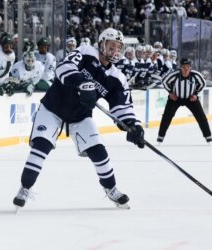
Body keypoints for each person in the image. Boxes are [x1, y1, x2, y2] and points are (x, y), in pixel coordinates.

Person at [13, 28, 145, 209]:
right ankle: (25, 187)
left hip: (80, 116)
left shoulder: (117, 78)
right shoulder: (85, 52)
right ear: (101, 44)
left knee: (98, 151)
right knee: (41, 146)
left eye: (118, 47)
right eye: (111, 46)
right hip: (53, 107)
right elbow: (63, 67)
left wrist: (133, 126)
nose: (115, 50)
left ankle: (111, 188)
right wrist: (82, 83)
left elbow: (122, 107)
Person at [157, 58, 212, 144]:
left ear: (190, 67)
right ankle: (160, 137)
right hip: (175, 99)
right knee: (166, 117)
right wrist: (171, 92)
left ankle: (208, 137)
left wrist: (195, 94)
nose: (186, 69)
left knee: (201, 117)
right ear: (180, 67)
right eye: (183, 67)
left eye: (188, 67)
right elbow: (164, 81)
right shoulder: (174, 75)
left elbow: (203, 83)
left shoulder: (195, 75)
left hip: (190, 99)